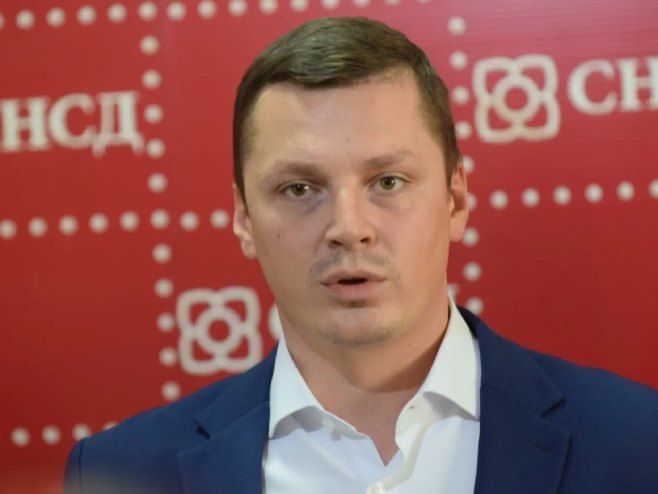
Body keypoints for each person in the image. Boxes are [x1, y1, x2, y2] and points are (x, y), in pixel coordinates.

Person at [64, 16, 658, 494]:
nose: (349, 228)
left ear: (455, 200)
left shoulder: (637, 442)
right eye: (300, 188)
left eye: (388, 182)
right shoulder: (124, 474)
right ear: (244, 219)